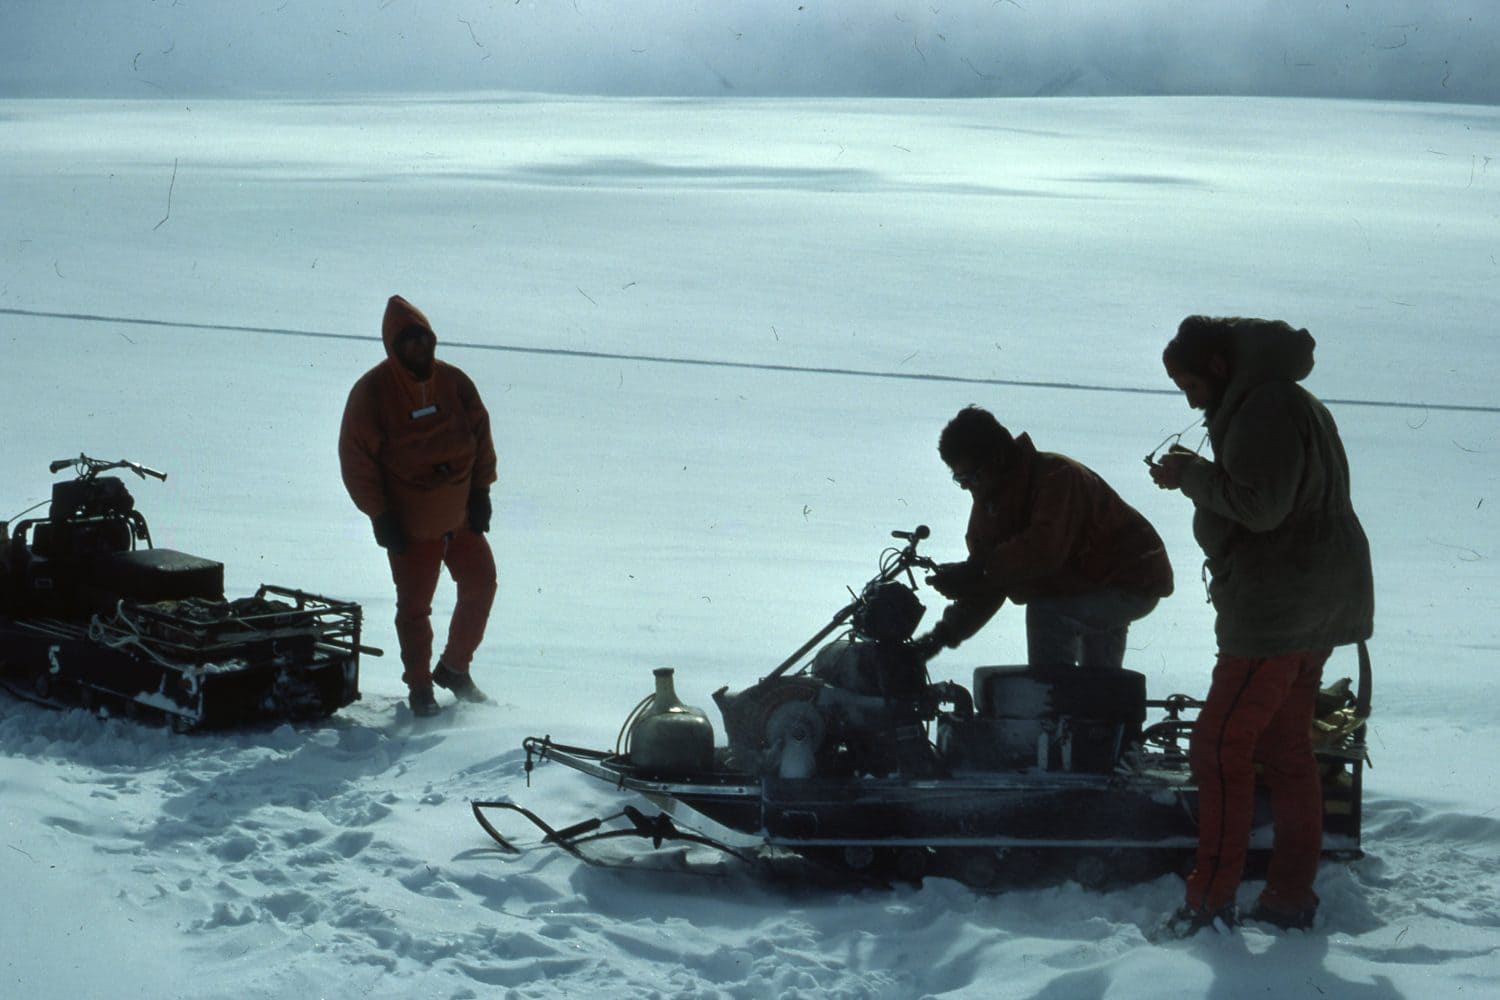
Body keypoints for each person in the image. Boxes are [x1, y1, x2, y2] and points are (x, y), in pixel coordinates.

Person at [1149, 315, 1374, 937]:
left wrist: (1192, 476)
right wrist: (1199, 474)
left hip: (1280, 608)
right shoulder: (1282, 399)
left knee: (1219, 748)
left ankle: (1208, 904)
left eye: (1190, 384)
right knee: (1284, 748)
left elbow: (1261, 506)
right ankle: (1287, 898)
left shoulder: (1264, 407)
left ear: (1220, 367)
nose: (1190, 399)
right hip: (1314, 598)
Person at [912, 406, 1174, 670]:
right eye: (960, 479)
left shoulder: (1057, 477)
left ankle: (1052, 703)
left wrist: (977, 570)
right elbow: (994, 580)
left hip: (1133, 577)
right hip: (1085, 583)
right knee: (1099, 682)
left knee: (1048, 614)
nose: (968, 486)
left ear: (998, 458)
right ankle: (1092, 708)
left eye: (972, 476)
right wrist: (941, 636)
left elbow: (1043, 551)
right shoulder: (989, 502)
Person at [339, 295, 498, 718]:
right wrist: (379, 514)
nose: (417, 347)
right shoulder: (371, 392)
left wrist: (481, 491)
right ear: (393, 345)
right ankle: (421, 687)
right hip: (411, 528)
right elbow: (356, 459)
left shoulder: (455, 383)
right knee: (414, 610)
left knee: (481, 584)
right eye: (406, 341)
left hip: (460, 518)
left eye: (422, 338)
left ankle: (454, 668)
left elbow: (481, 434)